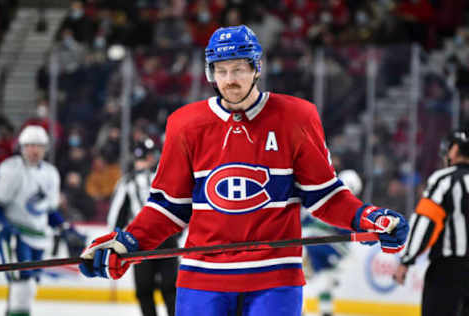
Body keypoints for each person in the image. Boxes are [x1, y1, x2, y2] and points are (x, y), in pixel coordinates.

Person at [79, 25, 409, 316]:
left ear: (256, 69)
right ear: (210, 73)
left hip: (275, 278)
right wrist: (127, 242)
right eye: (221, 71)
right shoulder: (184, 124)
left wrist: (368, 217)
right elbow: (169, 206)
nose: (230, 80)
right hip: (202, 277)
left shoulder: (297, 117)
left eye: (238, 69)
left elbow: (325, 196)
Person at [0, 125, 85, 316]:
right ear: (22, 147)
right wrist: (1, 224)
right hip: (15, 236)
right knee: (20, 286)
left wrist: (64, 228)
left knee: (29, 286)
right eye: (30, 145)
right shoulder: (11, 169)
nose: (34, 150)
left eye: (38, 145)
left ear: (45, 148)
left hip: (39, 237)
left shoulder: (50, 173)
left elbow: (48, 210)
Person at [394, 128, 469, 316]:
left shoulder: (444, 180)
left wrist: (407, 259)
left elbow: (425, 221)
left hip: (449, 270)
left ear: (454, 150)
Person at [107, 137, 178, 316]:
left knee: (168, 288)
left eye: (147, 157)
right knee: (148, 288)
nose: (146, 161)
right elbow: (117, 216)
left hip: (157, 240)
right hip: (142, 242)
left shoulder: (165, 177)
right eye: (143, 158)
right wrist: (116, 240)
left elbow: (116, 217)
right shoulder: (129, 182)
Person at [302, 169, 363, 316]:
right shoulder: (348, 207)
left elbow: (305, 220)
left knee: (320, 280)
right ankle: (319, 311)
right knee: (324, 280)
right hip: (320, 245)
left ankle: (313, 310)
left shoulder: (320, 196)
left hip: (315, 244)